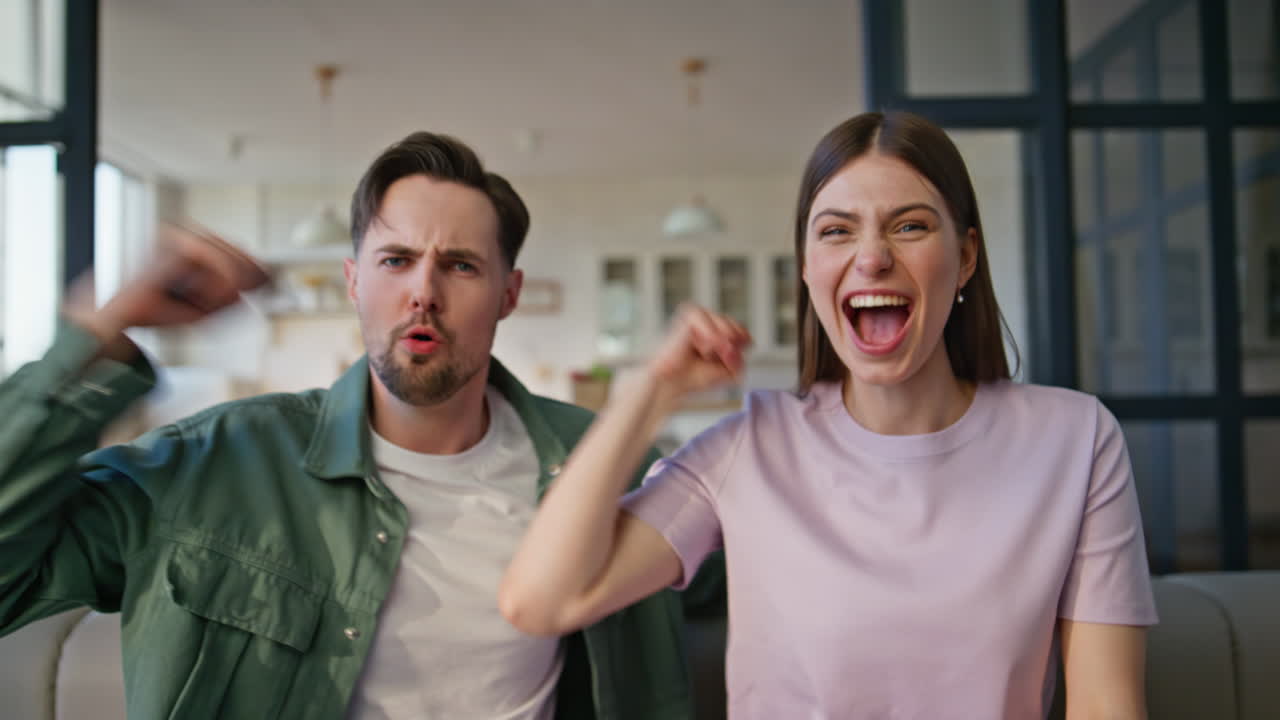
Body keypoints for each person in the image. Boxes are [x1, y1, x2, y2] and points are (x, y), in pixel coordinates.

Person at [0, 131, 710, 719]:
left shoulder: (605, 464)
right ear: (353, 281)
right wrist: (98, 330)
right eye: (396, 260)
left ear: (508, 294)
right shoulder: (213, 463)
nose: (423, 293)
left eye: (460, 266)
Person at [500, 111, 1158, 719]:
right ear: (810, 271)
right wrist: (651, 390)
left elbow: (1105, 706)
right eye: (837, 231)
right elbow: (541, 599)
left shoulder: (1076, 440)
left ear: (965, 258)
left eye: (910, 225)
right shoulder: (748, 450)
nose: (870, 257)